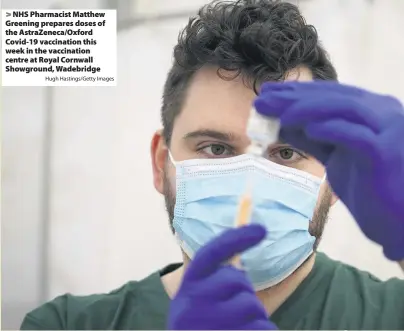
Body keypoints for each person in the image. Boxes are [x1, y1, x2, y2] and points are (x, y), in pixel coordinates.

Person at [21, 0, 404, 330]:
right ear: (161, 164)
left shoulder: (391, 316)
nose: (250, 182)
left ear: (335, 176)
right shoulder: (70, 324)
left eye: (286, 153)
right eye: (216, 148)